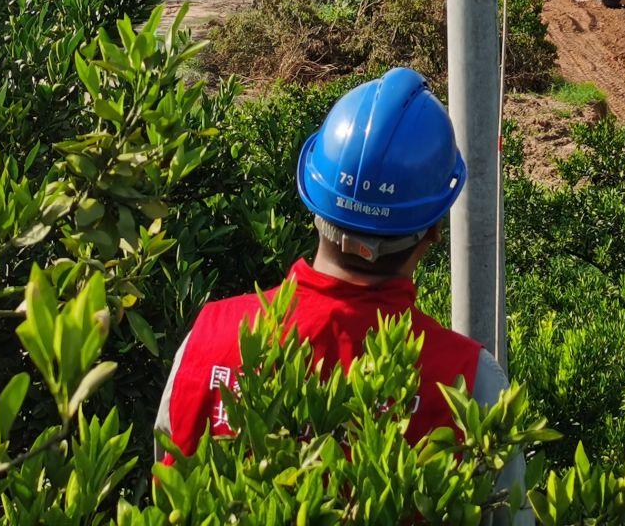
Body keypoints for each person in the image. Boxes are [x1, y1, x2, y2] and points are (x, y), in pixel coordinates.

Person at [156, 68, 519, 494]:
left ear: (314, 200)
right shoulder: (469, 384)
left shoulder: (206, 339)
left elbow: (166, 489)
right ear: (436, 227)